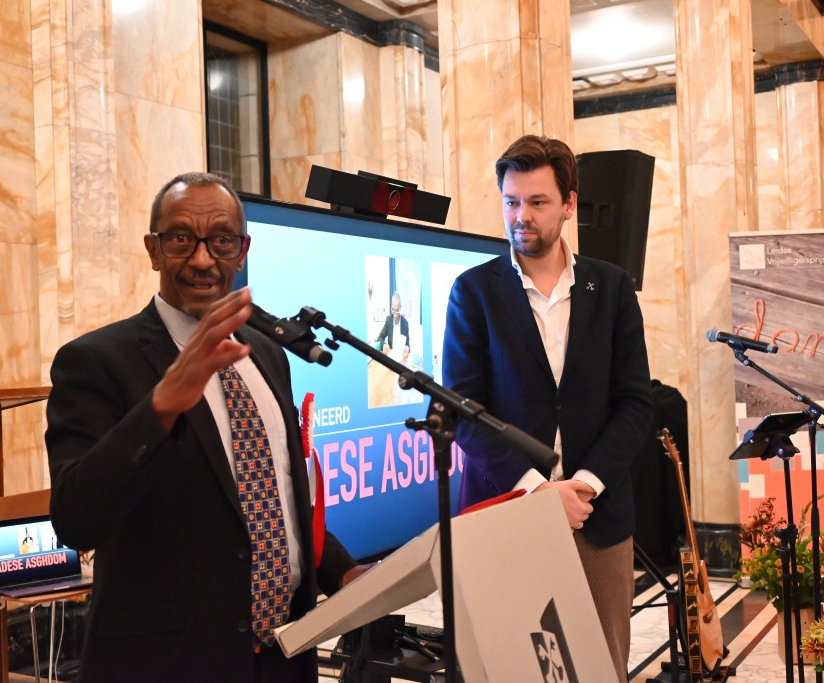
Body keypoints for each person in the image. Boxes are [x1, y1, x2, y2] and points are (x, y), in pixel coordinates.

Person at [46, 172, 372, 682]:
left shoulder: (265, 352)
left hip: (285, 655)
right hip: (169, 666)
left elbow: (277, 495)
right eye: (180, 239)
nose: (202, 260)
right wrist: (161, 406)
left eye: (220, 240)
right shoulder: (95, 361)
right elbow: (75, 519)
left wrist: (343, 571)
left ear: (242, 251)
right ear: (154, 250)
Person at [442, 135, 653, 682]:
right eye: (512, 201)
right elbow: (463, 410)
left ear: (569, 204)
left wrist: (583, 486)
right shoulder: (473, 292)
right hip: (503, 511)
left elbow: (635, 402)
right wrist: (537, 492)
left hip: (596, 517)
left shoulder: (612, 287)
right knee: (510, 669)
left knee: (601, 669)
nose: (522, 216)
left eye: (537, 202)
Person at [376, 291, 410, 359]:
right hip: (390, 357)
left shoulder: (405, 323)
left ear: (400, 307)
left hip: (401, 357)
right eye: (393, 310)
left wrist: (407, 348)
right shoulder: (388, 320)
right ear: (391, 307)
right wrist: (384, 345)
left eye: (397, 310)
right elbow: (380, 337)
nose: (395, 314)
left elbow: (407, 345)